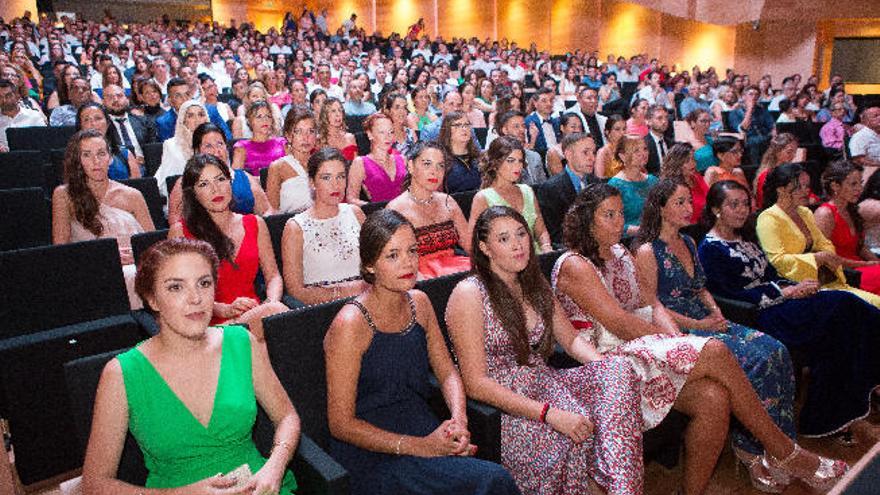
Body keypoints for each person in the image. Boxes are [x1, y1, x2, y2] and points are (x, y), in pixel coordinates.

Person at [554, 183, 846, 494]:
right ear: (586, 220)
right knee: (716, 350)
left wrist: (674, 337)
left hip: (640, 347)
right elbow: (619, 322)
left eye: (620, 214)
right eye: (607, 215)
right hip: (606, 362)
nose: (617, 221)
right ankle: (787, 453)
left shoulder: (619, 252)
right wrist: (674, 343)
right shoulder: (574, 264)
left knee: (714, 398)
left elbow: (650, 305)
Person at [446, 205, 645, 494]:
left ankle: (622, 489)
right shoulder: (470, 293)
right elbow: (476, 384)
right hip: (505, 405)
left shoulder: (534, 284)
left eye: (521, 235)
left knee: (618, 370)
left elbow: (572, 340)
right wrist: (548, 414)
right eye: (504, 239)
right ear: (484, 247)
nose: (517, 245)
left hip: (544, 382)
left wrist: (603, 365)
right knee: (573, 434)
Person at [324, 209, 520, 495]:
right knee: (492, 480)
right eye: (392, 255)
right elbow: (340, 424)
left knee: (483, 480)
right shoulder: (350, 324)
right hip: (373, 449)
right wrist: (421, 447)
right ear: (369, 266)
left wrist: (458, 421)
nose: (408, 262)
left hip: (422, 425)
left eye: (412, 251)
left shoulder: (420, 302)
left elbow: (447, 372)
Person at [81, 238, 299, 494]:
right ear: (152, 298)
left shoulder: (242, 343)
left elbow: (286, 416)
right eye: (176, 287)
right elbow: (94, 484)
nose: (195, 298)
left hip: (257, 487)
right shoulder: (122, 373)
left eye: (204, 283)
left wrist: (276, 464)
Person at [699, 179, 880, 443]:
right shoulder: (709, 249)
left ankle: (825, 417)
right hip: (760, 315)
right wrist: (783, 293)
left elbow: (771, 273)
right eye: (733, 205)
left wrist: (798, 286)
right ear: (716, 209)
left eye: (745, 204)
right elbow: (729, 296)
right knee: (845, 305)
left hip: (786, 304)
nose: (741, 210)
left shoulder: (746, 238)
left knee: (842, 330)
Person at [169, 153, 288, 339]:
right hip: (208, 325)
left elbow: (273, 276)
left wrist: (270, 302)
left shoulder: (255, 223)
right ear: (193, 193)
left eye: (220, 179)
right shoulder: (180, 232)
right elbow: (178, 293)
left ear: (230, 182)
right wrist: (222, 310)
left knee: (277, 316)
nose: (216, 189)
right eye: (204, 184)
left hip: (255, 316)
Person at [52, 128, 154, 310]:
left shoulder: (132, 195)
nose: (96, 161)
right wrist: (109, 257)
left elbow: (153, 246)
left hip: (138, 268)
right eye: (87, 155)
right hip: (94, 271)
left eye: (101, 154)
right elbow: (61, 251)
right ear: (77, 160)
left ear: (110, 158)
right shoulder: (64, 195)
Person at [757, 163, 880, 308]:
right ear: (781, 189)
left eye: (807, 186)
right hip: (798, 286)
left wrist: (826, 256)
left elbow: (824, 244)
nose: (806, 191)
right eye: (799, 187)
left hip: (826, 279)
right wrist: (818, 257)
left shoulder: (805, 212)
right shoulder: (768, 218)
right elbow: (777, 260)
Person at [281, 147, 368, 306]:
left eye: (341, 177)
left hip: (365, 301)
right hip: (323, 309)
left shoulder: (356, 213)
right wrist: (341, 293)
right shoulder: (295, 227)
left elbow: (374, 265)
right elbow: (295, 290)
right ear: (312, 182)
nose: (336, 185)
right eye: (326, 177)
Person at [387, 142, 471, 279]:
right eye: (427, 164)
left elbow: (469, 245)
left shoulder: (448, 201)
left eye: (440, 166)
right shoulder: (396, 209)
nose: (435, 171)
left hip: (459, 270)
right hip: (419, 278)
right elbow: (395, 261)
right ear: (411, 166)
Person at [168, 123, 270, 226]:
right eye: (208, 146)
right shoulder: (184, 183)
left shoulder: (245, 178)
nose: (217, 151)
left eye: (220, 144)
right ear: (197, 151)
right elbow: (175, 222)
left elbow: (267, 212)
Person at [469, 136, 552, 254]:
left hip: (535, 256)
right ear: (495, 163)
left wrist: (546, 247)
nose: (517, 166)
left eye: (520, 161)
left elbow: (541, 230)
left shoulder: (527, 191)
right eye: (510, 161)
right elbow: (474, 241)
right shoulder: (483, 198)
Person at [815, 160, 880, 295]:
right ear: (835, 186)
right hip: (841, 274)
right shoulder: (825, 214)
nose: (859, 189)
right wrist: (867, 265)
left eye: (860, 183)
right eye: (853, 184)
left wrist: (876, 262)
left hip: (859, 268)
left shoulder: (851, 210)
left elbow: (860, 247)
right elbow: (826, 258)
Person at [536, 133, 599, 247]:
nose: (592, 158)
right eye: (585, 152)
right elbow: (555, 235)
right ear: (569, 155)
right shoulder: (551, 189)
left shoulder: (597, 183)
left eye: (593, 153)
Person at [347, 113, 408, 205]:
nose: (387, 137)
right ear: (370, 134)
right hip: (378, 215)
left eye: (391, 132)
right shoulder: (360, 163)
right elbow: (351, 199)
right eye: (382, 132)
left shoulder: (402, 159)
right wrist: (375, 207)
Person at [266, 107, 317, 214]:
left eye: (311, 131)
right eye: (298, 131)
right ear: (288, 136)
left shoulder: (322, 163)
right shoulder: (278, 167)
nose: (306, 137)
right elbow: (272, 211)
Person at [154, 100, 209, 197]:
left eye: (201, 114)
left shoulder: (215, 142)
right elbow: (169, 182)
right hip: (184, 196)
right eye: (190, 116)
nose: (197, 120)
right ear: (183, 121)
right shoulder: (171, 145)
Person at [76, 102, 143, 180]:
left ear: (107, 123)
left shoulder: (125, 154)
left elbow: (137, 187)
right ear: (80, 126)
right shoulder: (74, 156)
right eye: (86, 120)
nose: (93, 123)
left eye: (98, 118)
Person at [607, 135, 659, 237]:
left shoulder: (653, 181)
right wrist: (639, 230)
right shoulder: (615, 186)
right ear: (623, 156)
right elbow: (610, 222)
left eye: (645, 149)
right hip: (629, 240)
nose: (643, 154)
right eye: (636, 150)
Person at [156, 78, 231, 142]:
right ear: (170, 101)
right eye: (178, 96)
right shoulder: (164, 122)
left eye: (187, 94)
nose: (185, 99)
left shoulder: (210, 111)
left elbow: (227, 137)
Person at [232, 101, 287, 176]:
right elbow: (237, 178)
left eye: (268, 116)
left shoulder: (282, 142)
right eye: (259, 116)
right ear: (249, 121)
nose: (265, 120)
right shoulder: (241, 147)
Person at [660, 143, 708, 224]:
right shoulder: (672, 186)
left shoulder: (697, 177)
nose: (692, 163)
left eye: (693, 159)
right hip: (687, 228)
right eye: (687, 161)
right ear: (677, 164)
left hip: (706, 222)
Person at [728, 85, 775, 167]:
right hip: (747, 139)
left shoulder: (762, 111)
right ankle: (756, 171)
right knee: (755, 142)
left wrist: (775, 136)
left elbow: (772, 126)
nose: (754, 97)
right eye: (751, 94)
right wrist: (749, 109)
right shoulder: (735, 113)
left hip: (765, 137)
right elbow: (743, 129)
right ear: (743, 97)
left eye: (756, 95)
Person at [439, 111, 482, 194]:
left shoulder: (479, 157)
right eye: (457, 125)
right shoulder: (441, 159)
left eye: (467, 125)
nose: (464, 128)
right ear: (447, 130)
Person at [753, 133, 798, 209]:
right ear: (777, 152)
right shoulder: (765, 175)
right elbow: (762, 204)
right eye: (789, 152)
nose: (793, 156)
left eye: (795, 152)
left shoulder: (793, 170)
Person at [0, 78, 45, 152]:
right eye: (0, 97)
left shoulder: (34, 116)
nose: (4, 100)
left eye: (8, 96)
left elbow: (43, 141)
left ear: (17, 96)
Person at [849, 106, 880, 184]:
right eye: (875, 116)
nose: (879, 117)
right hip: (871, 170)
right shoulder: (860, 136)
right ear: (866, 121)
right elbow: (858, 160)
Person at [381, 92, 418, 157]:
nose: (402, 111)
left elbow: (417, 157)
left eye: (404, 107)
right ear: (388, 111)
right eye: (397, 107)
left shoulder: (411, 133)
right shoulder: (383, 136)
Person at [643, 105, 672, 176]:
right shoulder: (643, 144)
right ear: (648, 121)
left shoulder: (671, 143)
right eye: (659, 118)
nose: (664, 121)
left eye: (666, 117)